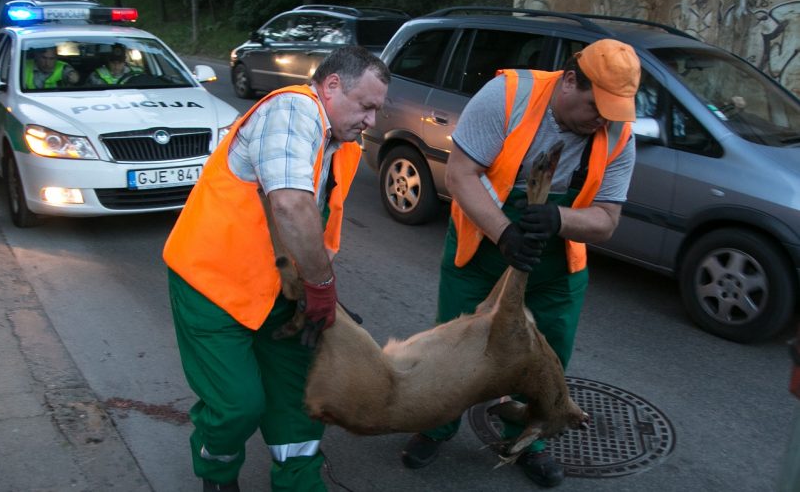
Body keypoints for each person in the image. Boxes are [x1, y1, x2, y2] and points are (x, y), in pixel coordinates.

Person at [399, 38, 641, 488]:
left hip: (556, 268)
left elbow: (606, 221)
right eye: (595, 106)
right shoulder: (506, 98)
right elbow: (459, 174)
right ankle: (436, 426)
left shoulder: (618, 134)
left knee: (546, 358)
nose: (602, 120)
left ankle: (528, 440)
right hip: (479, 251)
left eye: (612, 112)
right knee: (454, 344)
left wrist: (558, 217)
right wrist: (504, 233)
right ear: (570, 80)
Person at [162, 45, 389, 492]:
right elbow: (289, 203)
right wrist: (322, 287)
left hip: (281, 292)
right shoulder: (293, 110)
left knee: (298, 401)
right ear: (330, 86)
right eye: (366, 107)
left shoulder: (337, 141)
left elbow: (307, 229)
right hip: (212, 286)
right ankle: (218, 474)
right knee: (236, 406)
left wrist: (316, 293)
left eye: (377, 111)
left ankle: (300, 483)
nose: (371, 122)